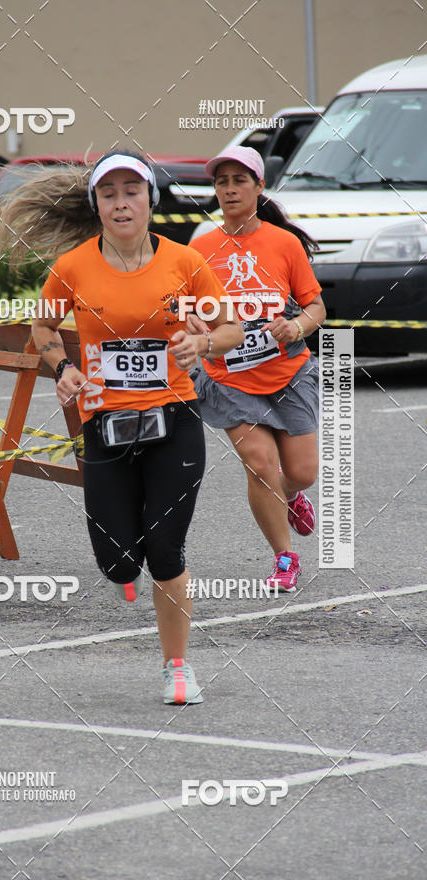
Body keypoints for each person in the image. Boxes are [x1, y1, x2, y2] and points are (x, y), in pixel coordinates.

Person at [0, 150, 243, 704]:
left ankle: (177, 667)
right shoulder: (74, 267)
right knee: (117, 562)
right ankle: (127, 567)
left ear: (150, 200)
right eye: (109, 194)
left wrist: (200, 342)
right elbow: (43, 327)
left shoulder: (185, 263)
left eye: (132, 191)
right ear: (98, 206)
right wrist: (63, 369)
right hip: (105, 422)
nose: (121, 203)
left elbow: (231, 329)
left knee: (165, 551)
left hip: (174, 418)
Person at [189, 146, 326, 592]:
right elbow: (184, 306)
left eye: (239, 181)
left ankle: (291, 495)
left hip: (288, 372)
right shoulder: (201, 246)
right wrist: (191, 323)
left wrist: (296, 326)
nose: (228, 189)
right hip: (229, 377)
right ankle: (285, 557)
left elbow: (316, 306)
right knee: (260, 462)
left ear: (258, 186)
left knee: (301, 472)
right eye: (221, 182)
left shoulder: (283, 243)